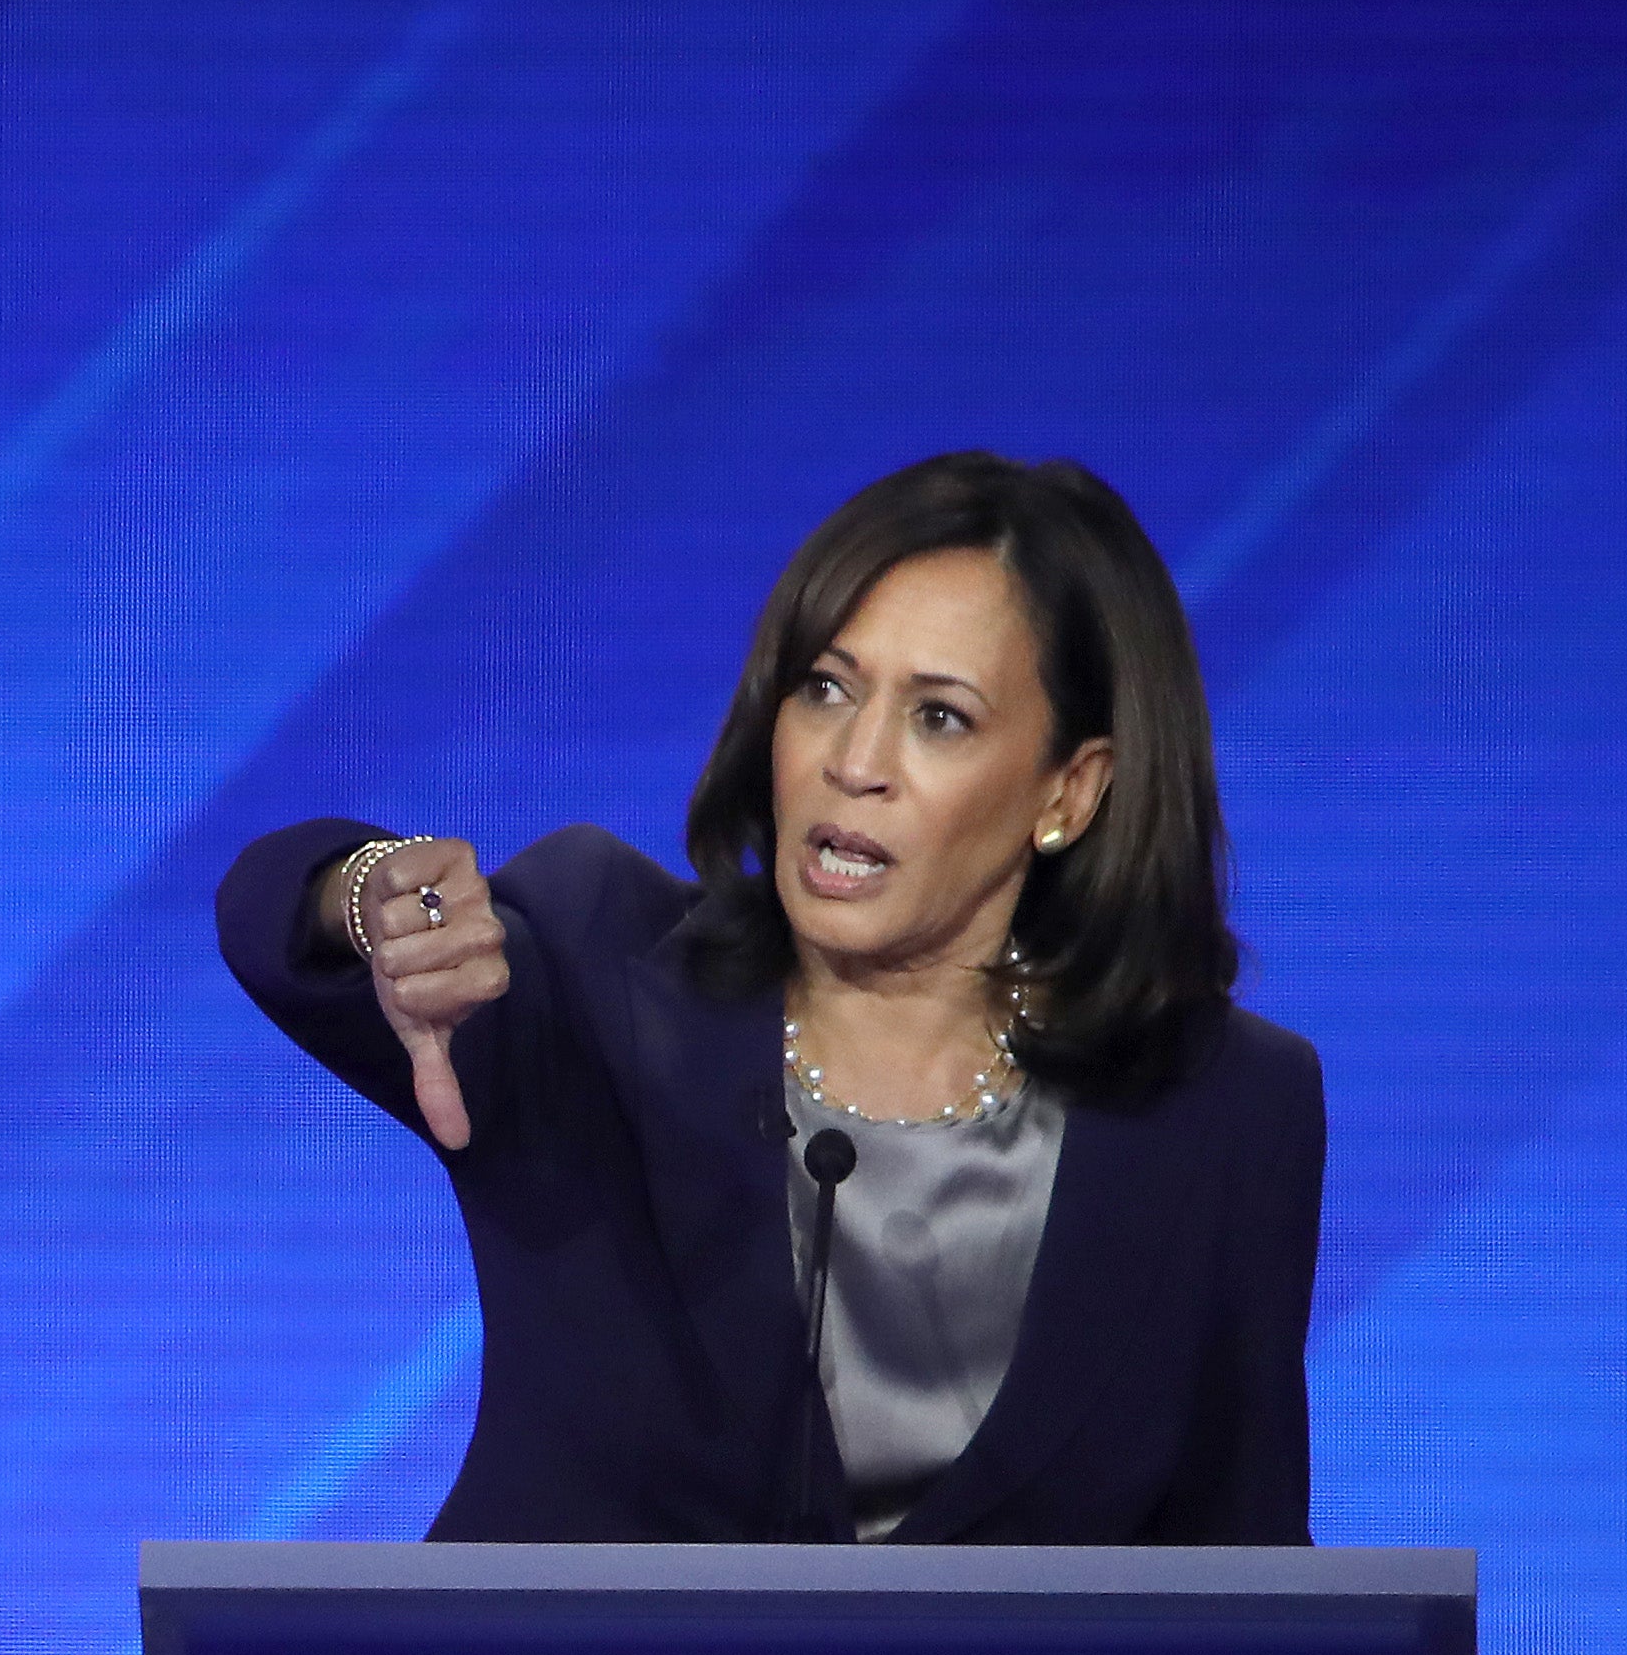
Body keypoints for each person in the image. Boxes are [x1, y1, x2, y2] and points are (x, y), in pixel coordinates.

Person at [212, 449, 1321, 1545]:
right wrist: (366, 902)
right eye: (827, 688)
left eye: (939, 718)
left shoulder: (1224, 1113)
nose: (855, 760)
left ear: (1068, 793)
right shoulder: (607, 975)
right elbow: (272, 915)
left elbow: (1249, 1601)